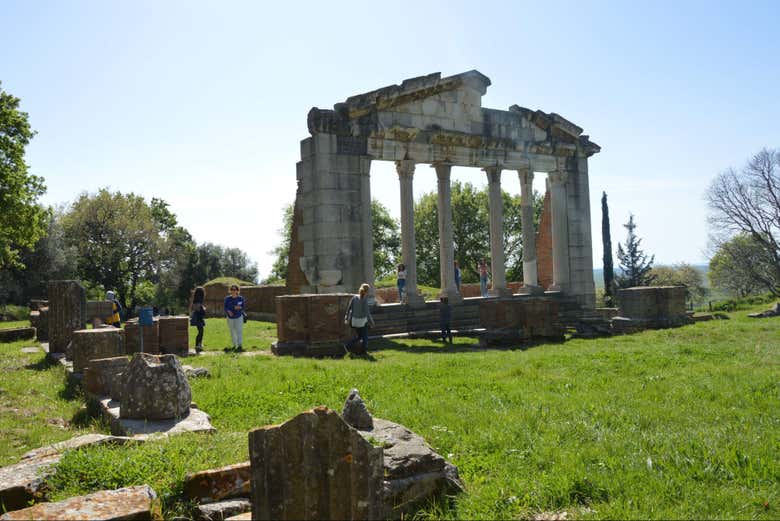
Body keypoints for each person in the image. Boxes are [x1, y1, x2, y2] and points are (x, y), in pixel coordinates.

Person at [344, 283, 375, 355]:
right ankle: (363, 351)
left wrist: (346, 318)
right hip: (362, 322)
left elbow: (349, 308)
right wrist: (372, 322)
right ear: (367, 291)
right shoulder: (364, 300)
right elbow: (367, 313)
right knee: (365, 337)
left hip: (354, 321)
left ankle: (348, 345)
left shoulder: (354, 297)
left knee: (360, 336)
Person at [223, 284, 245, 351]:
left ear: (237, 291)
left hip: (239, 317)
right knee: (232, 331)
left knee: (239, 331)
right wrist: (228, 311)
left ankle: (240, 345)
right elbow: (225, 307)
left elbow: (243, 307)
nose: (233, 291)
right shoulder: (227, 298)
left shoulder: (240, 298)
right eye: (232, 289)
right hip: (230, 318)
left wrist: (239, 307)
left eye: (234, 289)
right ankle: (234, 345)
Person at [190, 286, 206, 353]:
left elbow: (195, 308)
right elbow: (198, 309)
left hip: (198, 318)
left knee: (201, 331)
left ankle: (199, 344)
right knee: (200, 332)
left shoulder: (195, 300)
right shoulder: (198, 301)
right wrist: (203, 309)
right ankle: (198, 345)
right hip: (198, 318)